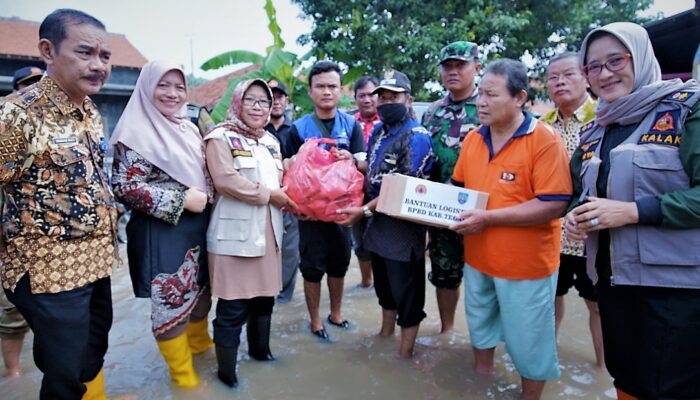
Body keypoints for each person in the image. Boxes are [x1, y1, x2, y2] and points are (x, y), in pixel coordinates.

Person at [565, 22, 700, 400]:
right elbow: (584, 192)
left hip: (676, 291)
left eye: (615, 61)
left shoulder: (688, 108)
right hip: (612, 281)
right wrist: (578, 214)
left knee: (670, 386)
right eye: (594, 67)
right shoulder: (595, 129)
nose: (605, 74)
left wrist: (633, 211)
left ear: (639, 57)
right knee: (624, 378)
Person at [0, 9, 117, 399]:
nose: (98, 65)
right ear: (48, 51)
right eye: (85, 53)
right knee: (63, 376)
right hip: (48, 272)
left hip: (96, 263)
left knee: (90, 357)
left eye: (104, 56)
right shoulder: (18, 114)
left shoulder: (89, 111)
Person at [450, 59, 572, 400]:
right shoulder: (474, 139)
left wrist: (489, 218)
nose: (481, 102)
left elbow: (554, 203)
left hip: (526, 266)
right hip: (477, 257)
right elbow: (458, 189)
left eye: (491, 94)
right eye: (480, 94)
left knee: (530, 338)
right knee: (480, 323)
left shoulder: (544, 140)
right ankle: (481, 381)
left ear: (519, 98)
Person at [110, 60, 212, 389]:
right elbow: (124, 186)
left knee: (201, 295)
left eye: (179, 86)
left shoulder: (189, 128)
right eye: (163, 85)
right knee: (170, 303)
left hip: (198, 227)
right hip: (161, 231)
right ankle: (184, 380)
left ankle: (200, 348)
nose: (172, 94)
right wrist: (181, 199)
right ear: (147, 87)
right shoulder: (135, 132)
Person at [205, 79, 295, 387]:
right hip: (233, 239)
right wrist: (270, 195)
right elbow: (226, 180)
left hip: (269, 235)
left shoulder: (270, 141)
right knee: (231, 307)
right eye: (251, 100)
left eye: (264, 102)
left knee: (264, 301)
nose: (258, 107)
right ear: (238, 102)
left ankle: (261, 354)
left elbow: (282, 179)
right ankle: (227, 375)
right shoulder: (219, 137)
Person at [338, 69, 433, 358]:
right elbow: (375, 171)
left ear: (409, 100)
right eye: (383, 96)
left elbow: (406, 188)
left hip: (403, 230)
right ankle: (385, 334)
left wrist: (363, 210)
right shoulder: (379, 131)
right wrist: (351, 163)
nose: (386, 101)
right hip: (376, 226)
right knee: (384, 288)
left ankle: (405, 353)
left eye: (394, 96)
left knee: (407, 293)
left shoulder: (416, 137)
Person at [286, 61, 367, 341]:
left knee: (340, 263)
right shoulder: (297, 128)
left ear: (340, 90)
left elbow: (363, 163)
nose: (326, 92)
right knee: (311, 267)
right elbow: (287, 172)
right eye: (320, 86)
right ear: (310, 91)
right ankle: (315, 320)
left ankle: (336, 313)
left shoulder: (352, 125)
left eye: (332, 86)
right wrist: (295, 208)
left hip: (341, 212)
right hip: (309, 214)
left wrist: (352, 160)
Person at [540, 51, 605, 369]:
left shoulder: (605, 117)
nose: (560, 82)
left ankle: (604, 370)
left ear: (586, 78)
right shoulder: (541, 125)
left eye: (568, 74)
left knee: (597, 305)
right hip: (551, 233)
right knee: (551, 297)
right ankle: (546, 358)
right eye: (553, 77)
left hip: (592, 233)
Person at [421, 40, 481, 333]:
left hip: (482, 210)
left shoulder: (489, 107)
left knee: (486, 276)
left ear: (476, 68)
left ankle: (484, 340)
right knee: (444, 274)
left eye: (461, 65)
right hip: (440, 210)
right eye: (448, 66)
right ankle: (447, 332)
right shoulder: (431, 112)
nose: (453, 71)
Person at [0, 66, 45, 378]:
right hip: (9, 238)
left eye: (40, 86)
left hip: (45, 237)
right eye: (26, 87)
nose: (33, 92)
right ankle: (13, 373)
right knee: (11, 311)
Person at [264, 78, 299, 303]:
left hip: (291, 202)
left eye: (279, 97)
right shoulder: (256, 131)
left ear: (287, 101)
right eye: (271, 97)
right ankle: (264, 294)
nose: (275, 101)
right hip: (263, 199)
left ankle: (284, 299)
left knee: (289, 254)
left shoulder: (295, 131)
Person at [351, 75, 380, 289]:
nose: (367, 99)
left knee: (383, 238)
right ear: (355, 98)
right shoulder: (349, 123)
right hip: (355, 192)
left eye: (371, 94)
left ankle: (381, 281)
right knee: (360, 241)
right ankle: (365, 282)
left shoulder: (387, 122)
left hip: (381, 190)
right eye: (362, 95)